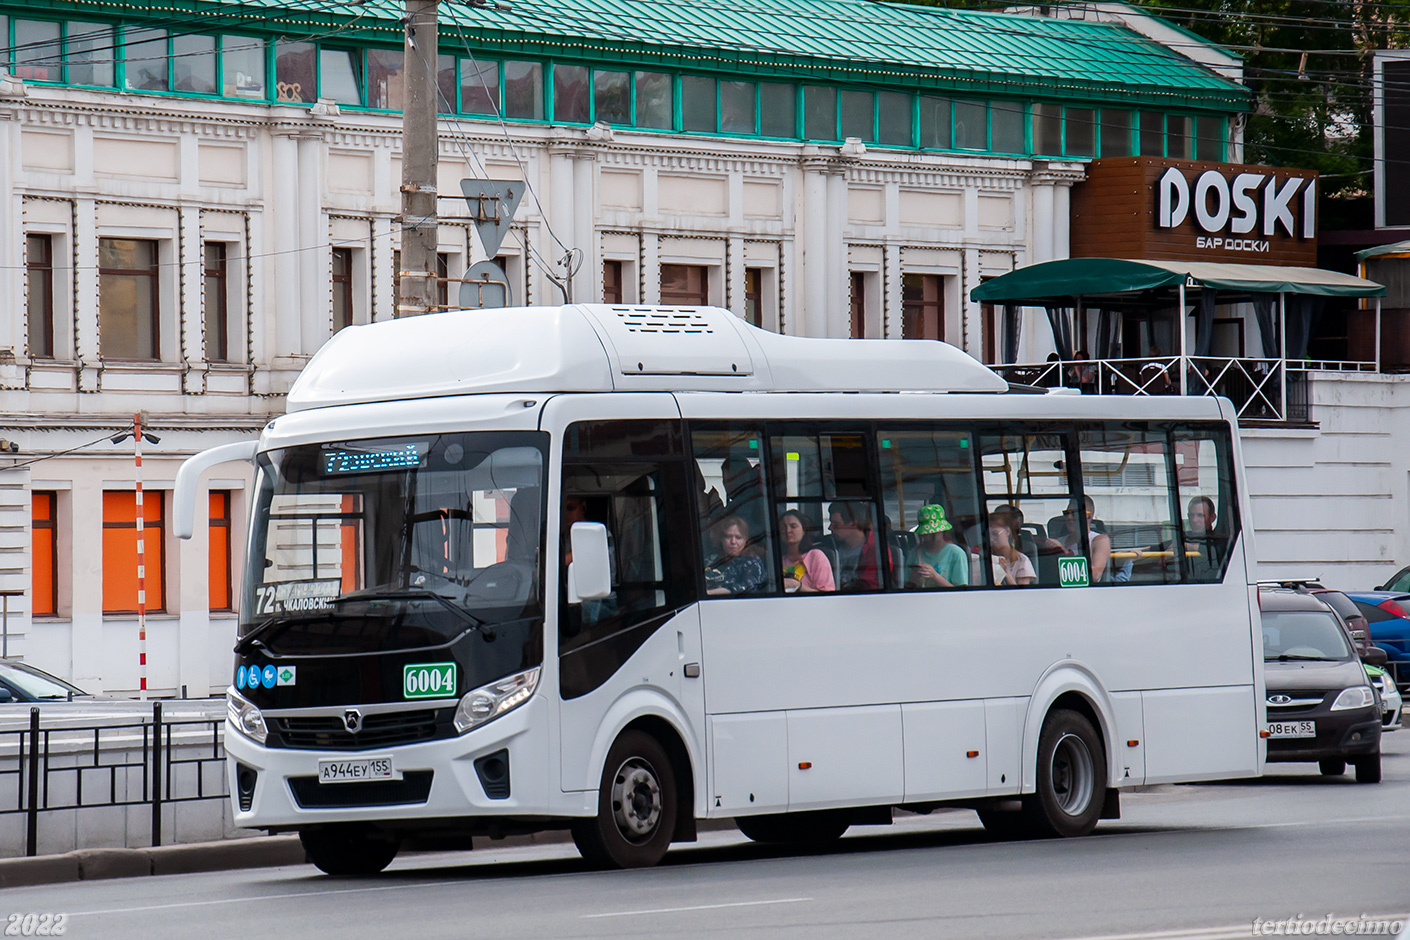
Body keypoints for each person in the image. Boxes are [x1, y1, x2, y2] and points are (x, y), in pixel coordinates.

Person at [1041, 494, 1112, 582]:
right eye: (1067, 514)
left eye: (1074, 514)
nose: (1069, 518)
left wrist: (1063, 551)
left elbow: (1094, 575)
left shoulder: (1099, 540)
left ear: (1089, 516)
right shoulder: (1059, 541)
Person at [908, 504, 968, 589]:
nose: (929, 536)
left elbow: (961, 592)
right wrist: (913, 578)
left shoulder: (956, 553)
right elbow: (906, 588)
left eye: (934, 533)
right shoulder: (914, 553)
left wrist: (935, 576)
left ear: (942, 531)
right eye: (925, 533)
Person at [704, 515, 767, 596]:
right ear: (721, 538)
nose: (733, 542)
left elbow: (748, 588)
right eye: (728, 536)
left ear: (746, 540)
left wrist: (709, 593)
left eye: (738, 537)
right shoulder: (709, 560)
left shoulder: (752, 562)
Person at [827, 501, 880, 590]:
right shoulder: (829, 547)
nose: (830, 527)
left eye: (836, 524)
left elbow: (870, 585)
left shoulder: (875, 550)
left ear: (853, 524)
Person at [778, 510, 835, 593]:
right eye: (783, 528)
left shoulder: (815, 556)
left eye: (793, 526)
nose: (788, 531)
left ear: (804, 530)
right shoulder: (778, 560)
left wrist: (798, 586)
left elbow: (827, 595)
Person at [987, 505, 1036, 586]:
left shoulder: (1022, 561)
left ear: (1007, 531)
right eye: (988, 536)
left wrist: (1006, 572)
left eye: (995, 534)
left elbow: (1022, 594)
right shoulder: (985, 559)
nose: (991, 539)